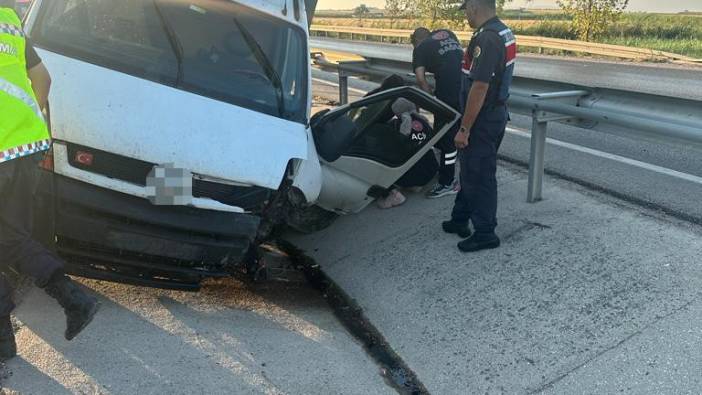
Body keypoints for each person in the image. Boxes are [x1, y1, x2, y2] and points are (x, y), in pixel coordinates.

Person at [0, 2, 99, 360]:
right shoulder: (8, 20)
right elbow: (43, 79)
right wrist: (22, 127)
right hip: (25, 147)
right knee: (10, 237)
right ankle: (74, 301)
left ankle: (4, 341)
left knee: (7, 238)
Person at [442, 0, 516, 252]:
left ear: (475, 6)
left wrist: (464, 128)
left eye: (466, 10)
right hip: (493, 115)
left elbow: (480, 86)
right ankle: (459, 219)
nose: (465, 16)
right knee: (470, 171)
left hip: (482, 120)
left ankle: (485, 232)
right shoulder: (500, 31)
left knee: (480, 175)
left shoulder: (488, 39)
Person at [411, 27, 463, 199]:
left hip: (448, 93)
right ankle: (461, 172)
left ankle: (447, 182)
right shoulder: (448, 33)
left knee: (447, 137)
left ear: (416, 40)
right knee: (458, 131)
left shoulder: (420, 47)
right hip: (467, 87)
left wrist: (430, 95)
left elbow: (420, 78)